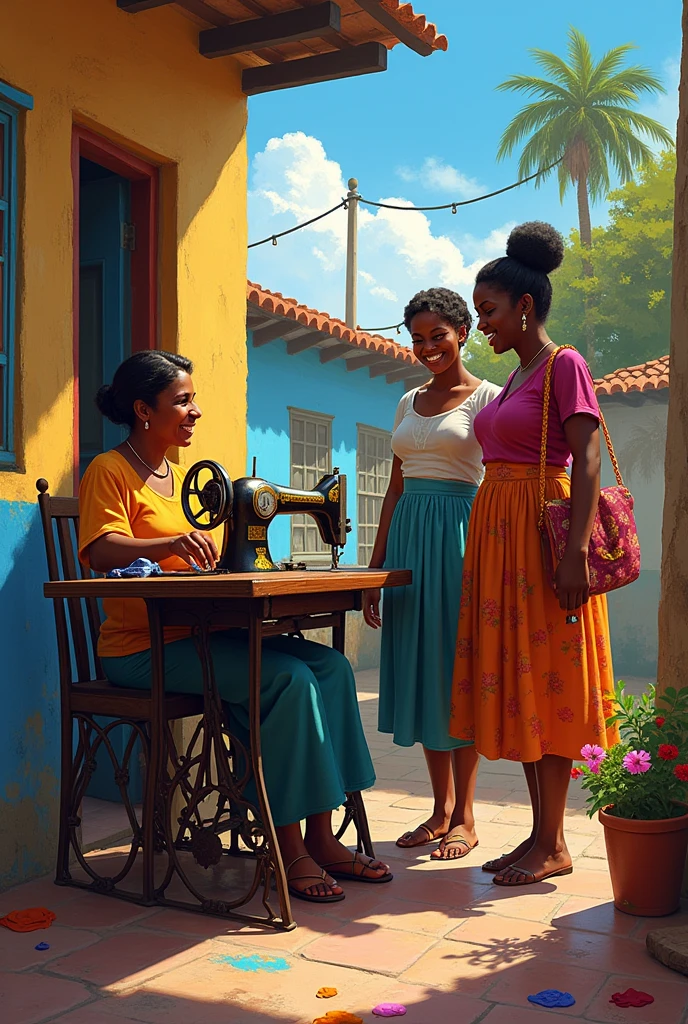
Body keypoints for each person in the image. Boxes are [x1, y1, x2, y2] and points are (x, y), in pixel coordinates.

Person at [78, 350, 392, 904]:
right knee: (286, 680)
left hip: (199, 635)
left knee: (330, 667)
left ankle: (323, 834)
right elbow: (100, 550)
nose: (195, 411)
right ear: (143, 410)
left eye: (193, 399)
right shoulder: (110, 470)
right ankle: (289, 844)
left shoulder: (186, 478)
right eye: (182, 401)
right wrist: (169, 543)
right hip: (142, 648)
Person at [449, 222, 619, 886]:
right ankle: (539, 837)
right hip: (501, 544)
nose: (480, 323)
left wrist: (575, 552)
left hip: (544, 545)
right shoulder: (519, 374)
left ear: (524, 306)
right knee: (524, 685)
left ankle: (553, 842)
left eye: (487, 310)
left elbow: (588, 456)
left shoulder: (564, 363)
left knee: (549, 683)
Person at [362, 289, 501, 860]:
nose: (426, 349)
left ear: (462, 332)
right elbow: (395, 485)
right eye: (416, 339)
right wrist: (375, 565)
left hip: (458, 539)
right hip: (409, 544)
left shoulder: (488, 398)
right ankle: (439, 810)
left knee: (453, 671)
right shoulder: (406, 401)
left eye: (437, 336)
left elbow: (502, 480)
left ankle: (465, 816)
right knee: (420, 670)